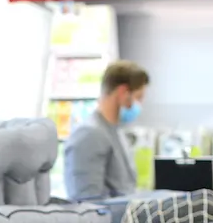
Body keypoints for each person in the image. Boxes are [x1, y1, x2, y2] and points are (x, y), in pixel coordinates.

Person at [63, 60, 149, 201]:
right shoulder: (89, 135)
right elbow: (87, 201)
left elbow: (125, 188)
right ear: (122, 92)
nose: (139, 105)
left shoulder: (116, 132)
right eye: (138, 97)